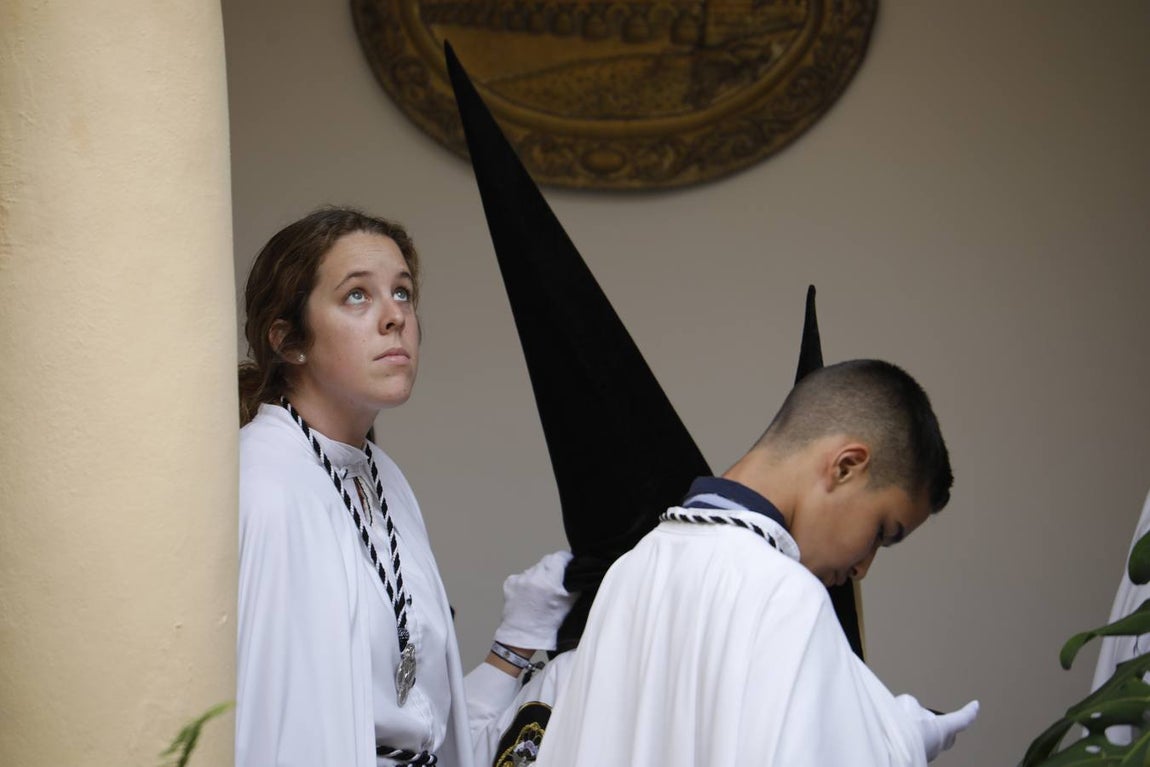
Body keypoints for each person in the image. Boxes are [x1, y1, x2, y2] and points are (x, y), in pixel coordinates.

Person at [234, 207, 575, 767]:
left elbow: (413, 721)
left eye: (403, 292)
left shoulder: (380, 475)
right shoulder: (265, 483)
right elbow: (270, 729)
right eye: (357, 296)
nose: (395, 317)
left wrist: (515, 643)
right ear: (289, 340)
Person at [534, 360, 979, 767]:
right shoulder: (787, 596)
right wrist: (893, 742)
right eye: (882, 532)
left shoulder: (630, 570)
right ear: (846, 466)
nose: (863, 567)